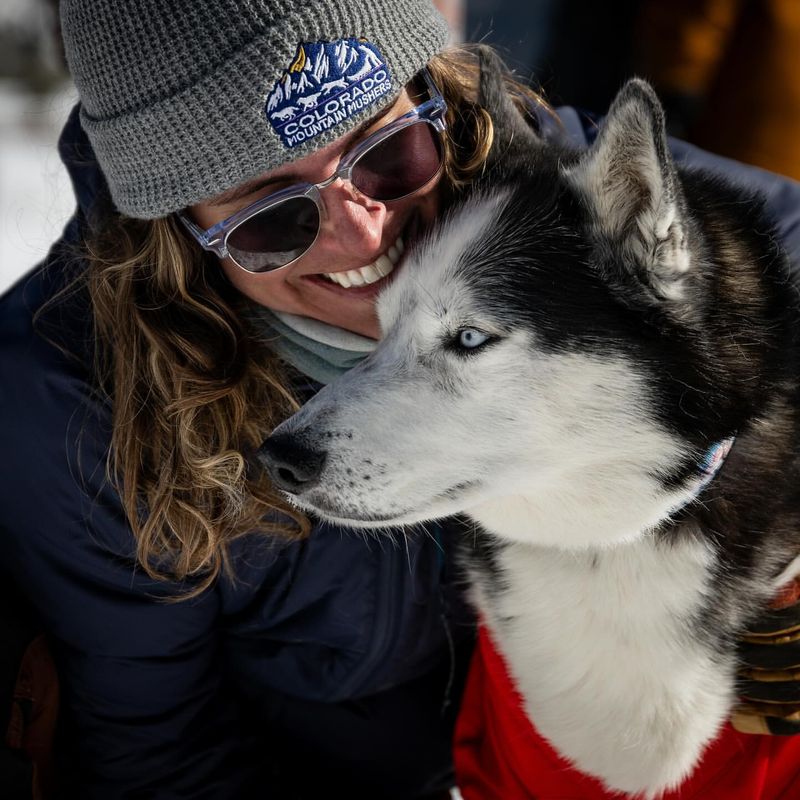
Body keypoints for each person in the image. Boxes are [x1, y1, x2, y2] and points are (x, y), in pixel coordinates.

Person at [2, 1, 800, 798]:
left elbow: (768, 253)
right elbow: (165, 756)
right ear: (182, 230)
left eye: (383, 155)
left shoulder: (531, 184)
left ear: (432, 106)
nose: (364, 233)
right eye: (273, 217)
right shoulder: (78, 410)